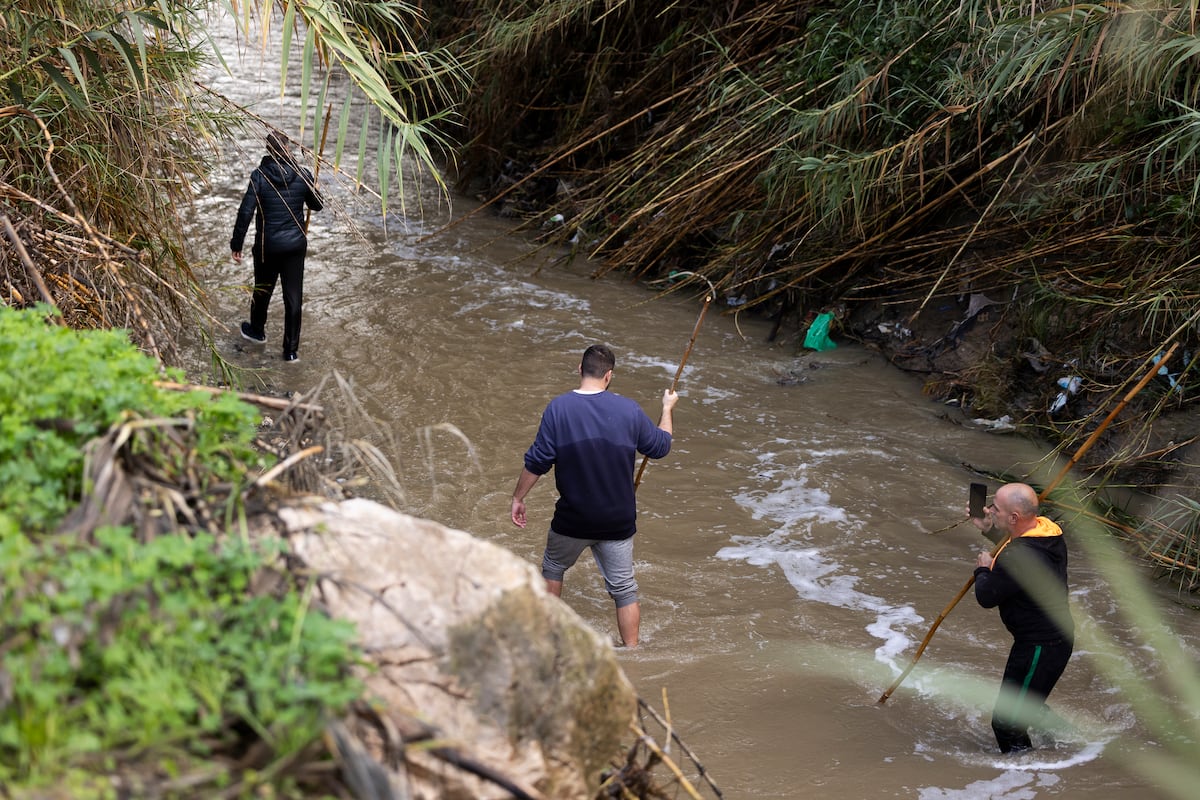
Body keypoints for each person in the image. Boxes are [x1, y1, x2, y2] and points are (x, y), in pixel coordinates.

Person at [511, 344, 678, 648]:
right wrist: (667, 409)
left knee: (553, 568)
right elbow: (661, 446)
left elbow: (538, 461)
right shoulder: (629, 410)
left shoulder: (558, 409)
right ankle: (632, 652)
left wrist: (518, 497)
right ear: (609, 376)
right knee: (625, 589)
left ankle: (550, 642)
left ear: (580, 370)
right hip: (617, 520)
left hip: (573, 519)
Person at [969, 482, 1074, 754]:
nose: (990, 510)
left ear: (1014, 517)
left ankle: (1026, 777)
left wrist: (982, 570)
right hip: (1054, 640)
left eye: (995, 509)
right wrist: (990, 530)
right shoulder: (1047, 533)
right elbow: (1017, 552)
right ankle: (1072, 744)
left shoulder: (1020, 555)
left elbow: (987, 596)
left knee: (1006, 723)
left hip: (1040, 646)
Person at [230, 132, 323, 363]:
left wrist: (237, 244)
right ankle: (290, 352)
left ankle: (257, 332)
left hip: (268, 247)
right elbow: (318, 205)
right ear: (288, 150)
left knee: (262, 291)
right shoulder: (302, 174)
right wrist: (314, 185)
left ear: (269, 151)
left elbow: (245, 212)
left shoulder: (259, 176)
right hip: (295, 246)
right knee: (293, 298)